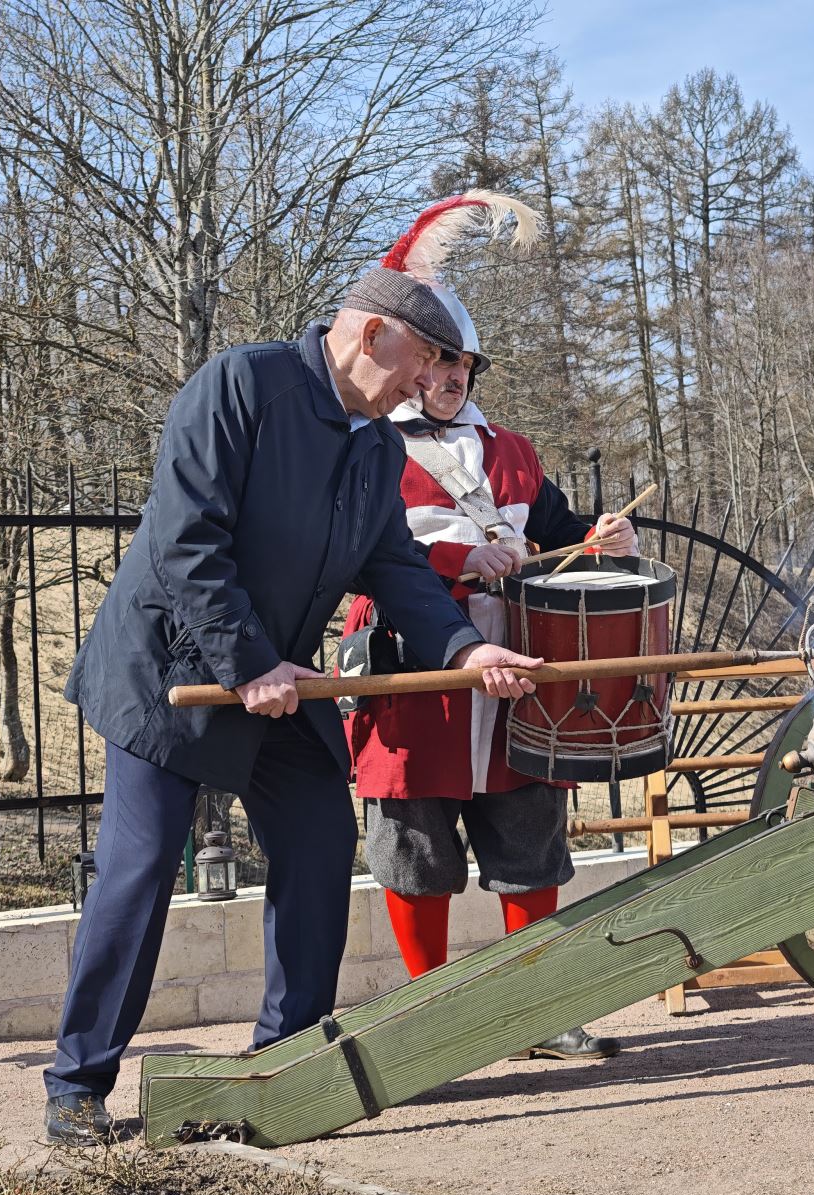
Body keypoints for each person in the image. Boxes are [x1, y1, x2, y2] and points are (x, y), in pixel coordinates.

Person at [44, 234, 543, 1145]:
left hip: (281, 679)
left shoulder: (372, 448)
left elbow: (395, 565)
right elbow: (185, 542)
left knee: (317, 843)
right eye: (426, 365)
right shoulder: (240, 385)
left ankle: (290, 1061)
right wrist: (249, 665)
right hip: (173, 672)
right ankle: (76, 1086)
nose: (426, 389)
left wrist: (467, 650)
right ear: (378, 336)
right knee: (140, 868)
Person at [342, 193, 636, 1062]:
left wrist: (602, 538)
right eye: (437, 362)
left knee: (527, 846)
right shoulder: (365, 446)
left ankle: (531, 1011)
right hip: (414, 681)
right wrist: (454, 568)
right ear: (414, 363)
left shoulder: (512, 450)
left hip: (516, 676)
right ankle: (433, 1019)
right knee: (416, 849)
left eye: (463, 362)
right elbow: (357, 558)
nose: (450, 376)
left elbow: (559, 533)